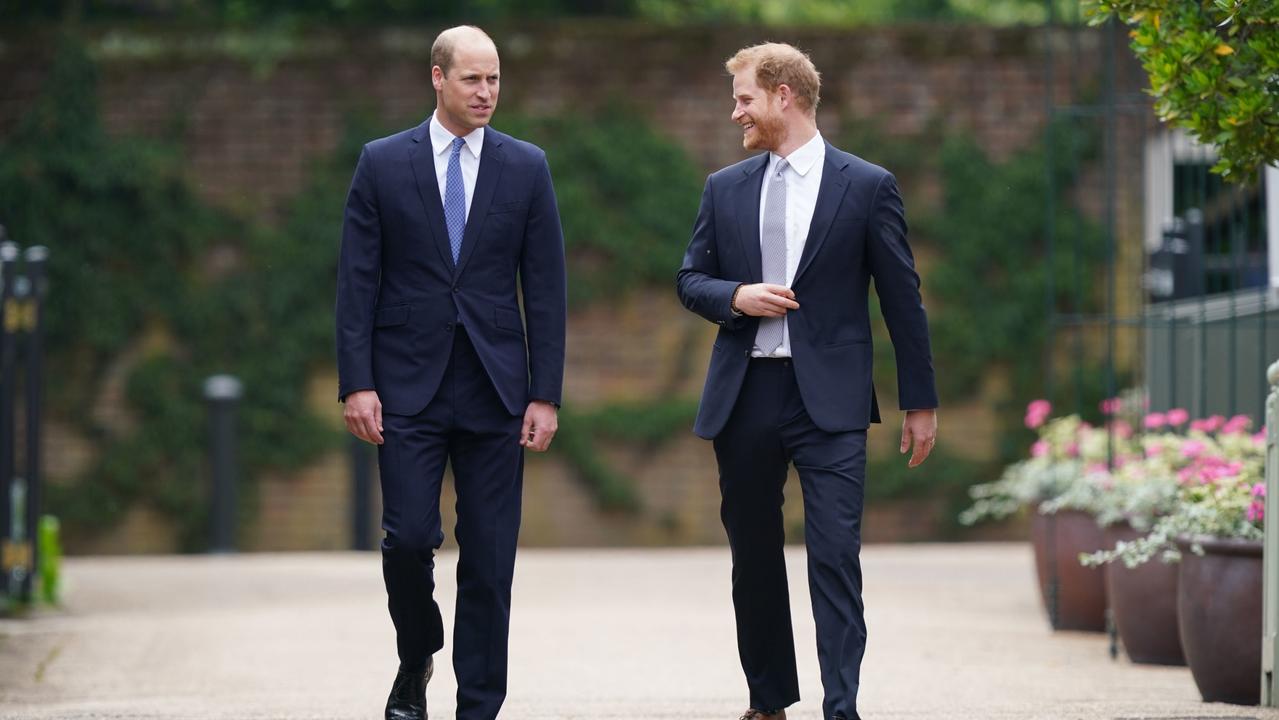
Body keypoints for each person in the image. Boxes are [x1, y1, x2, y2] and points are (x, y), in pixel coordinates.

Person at [676, 42, 939, 720]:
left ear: (782, 96)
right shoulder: (724, 188)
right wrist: (736, 296)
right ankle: (767, 700)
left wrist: (920, 401)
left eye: (744, 98)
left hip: (832, 400)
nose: (735, 111)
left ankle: (840, 707)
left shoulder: (867, 185)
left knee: (834, 556)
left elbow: (901, 300)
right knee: (754, 559)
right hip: (745, 396)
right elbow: (689, 279)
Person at [335, 25, 566, 720]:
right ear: (437, 78)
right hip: (406, 385)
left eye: (494, 78)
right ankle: (417, 652)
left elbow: (547, 290)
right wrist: (356, 381)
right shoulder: (381, 163)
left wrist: (544, 394)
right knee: (407, 540)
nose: (486, 92)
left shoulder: (527, 167)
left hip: (497, 389)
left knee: (490, 562)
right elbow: (356, 282)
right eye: (472, 79)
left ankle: (478, 708)